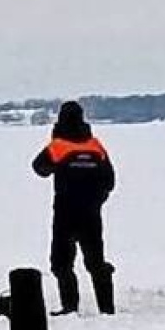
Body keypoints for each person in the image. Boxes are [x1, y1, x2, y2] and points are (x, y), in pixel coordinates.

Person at [32, 101, 117, 316]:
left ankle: (70, 307)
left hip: (65, 213)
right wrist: (97, 199)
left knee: (61, 262)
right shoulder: (96, 146)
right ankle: (107, 308)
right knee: (96, 262)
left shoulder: (58, 146)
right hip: (91, 213)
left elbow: (39, 168)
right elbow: (110, 180)